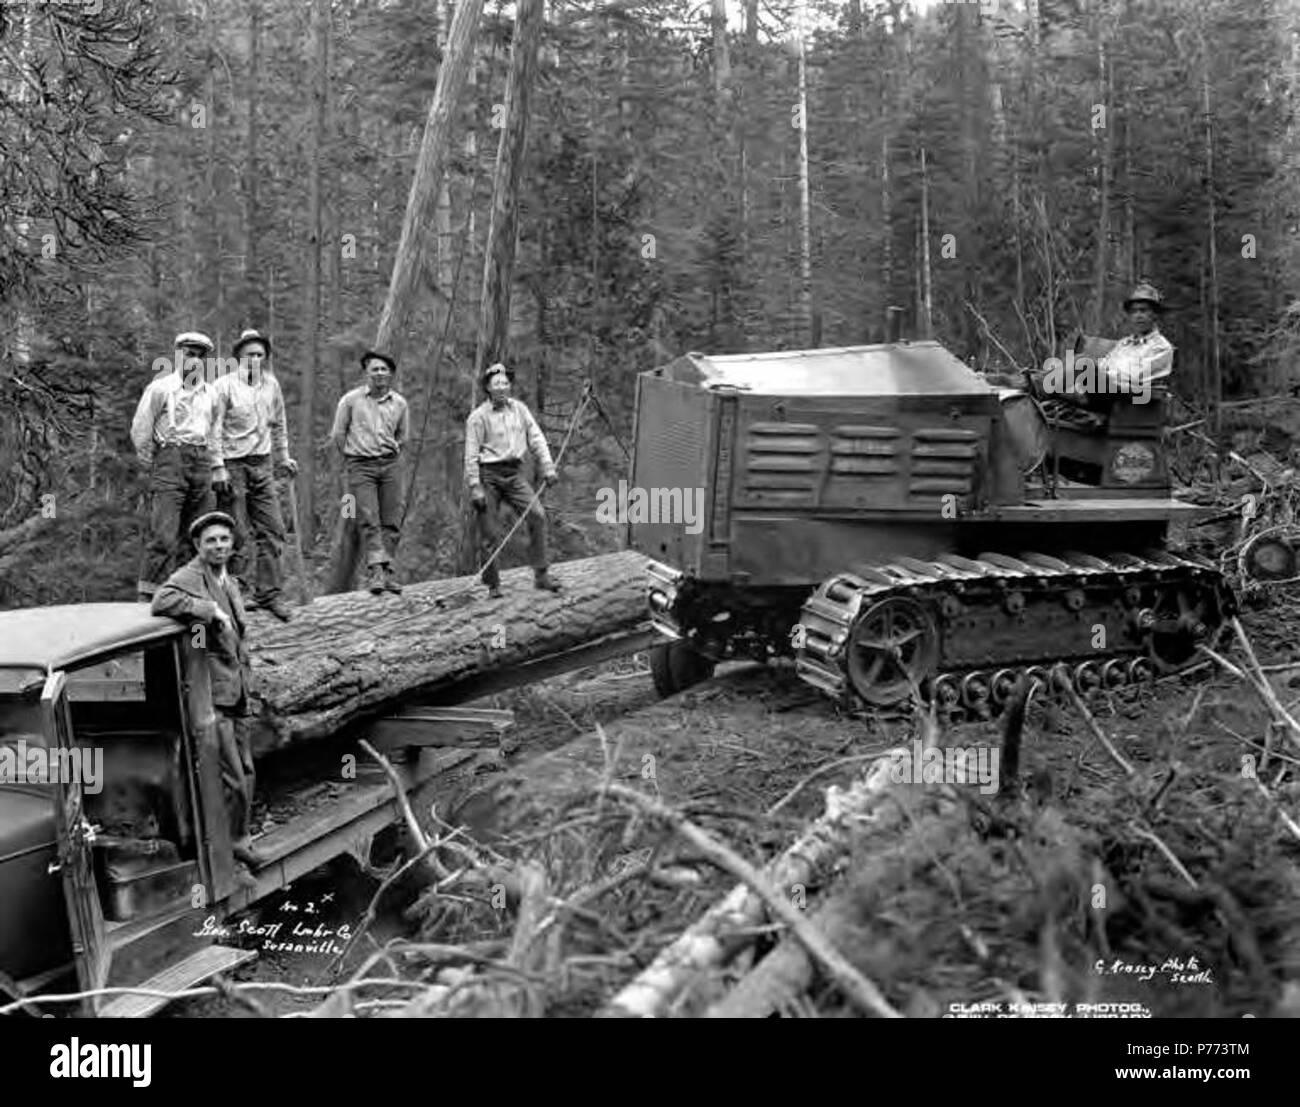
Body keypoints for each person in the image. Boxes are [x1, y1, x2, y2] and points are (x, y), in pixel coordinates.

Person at [150, 511, 259, 869]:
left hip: (239, 690)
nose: (219, 546)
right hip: (214, 695)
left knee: (246, 769)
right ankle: (229, 851)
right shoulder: (190, 576)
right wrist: (207, 609)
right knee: (233, 778)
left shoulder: (230, 580)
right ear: (198, 545)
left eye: (224, 539)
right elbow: (161, 600)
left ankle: (241, 837)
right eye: (211, 540)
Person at [211, 328, 298, 621]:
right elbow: (214, 428)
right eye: (250, 354)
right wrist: (218, 466)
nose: (255, 359)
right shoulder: (224, 386)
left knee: (272, 530)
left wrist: (284, 456)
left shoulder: (271, 385)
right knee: (237, 532)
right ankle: (238, 593)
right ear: (238, 357)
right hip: (232, 464)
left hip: (262, 463)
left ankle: (269, 593)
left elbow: (280, 423)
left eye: (260, 355)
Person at [131, 331, 221, 602]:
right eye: (189, 354)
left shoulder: (211, 393)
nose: (194, 360)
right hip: (170, 460)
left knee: (199, 531)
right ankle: (150, 596)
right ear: (178, 356)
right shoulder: (160, 388)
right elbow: (140, 428)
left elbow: (214, 432)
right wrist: (149, 462)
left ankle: (191, 593)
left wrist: (217, 465)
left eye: (200, 356)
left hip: (201, 461)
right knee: (164, 534)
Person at [464, 362, 561, 599]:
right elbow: (471, 453)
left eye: (505, 383)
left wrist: (547, 465)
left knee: (537, 515)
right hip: (489, 476)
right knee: (490, 533)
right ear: (488, 388)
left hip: (514, 474)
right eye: (496, 383)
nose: (502, 387)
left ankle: (541, 575)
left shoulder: (520, 410)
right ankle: (493, 585)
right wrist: (475, 486)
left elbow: (536, 437)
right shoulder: (478, 417)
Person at [329, 350, 409, 595]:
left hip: (390, 464)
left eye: (384, 369)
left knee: (392, 521)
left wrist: (391, 452)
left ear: (391, 374)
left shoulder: (400, 403)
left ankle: (386, 573)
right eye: (375, 369)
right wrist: (352, 456)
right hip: (360, 465)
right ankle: (375, 571)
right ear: (366, 373)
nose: (380, 373)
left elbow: (403, 437)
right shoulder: (351, 400)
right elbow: (338, 434)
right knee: (368, 519)